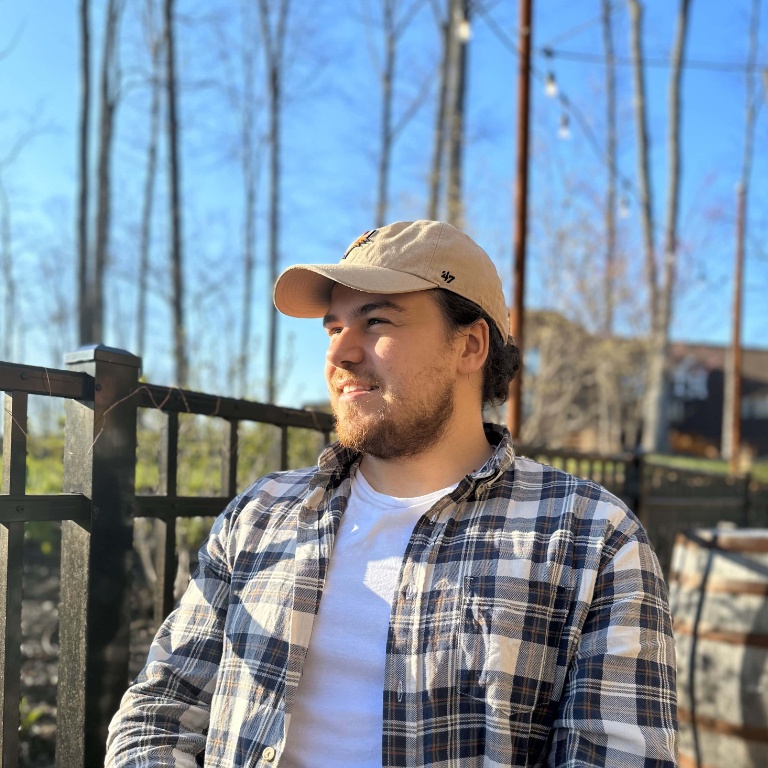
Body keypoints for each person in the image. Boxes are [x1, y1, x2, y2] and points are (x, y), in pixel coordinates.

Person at [106, 220, 677, 767]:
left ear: (471, 346)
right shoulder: (262, 516)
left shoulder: (589, 538)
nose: (340, 353)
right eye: (334, 328)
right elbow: (158, 713)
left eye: (376, 322)